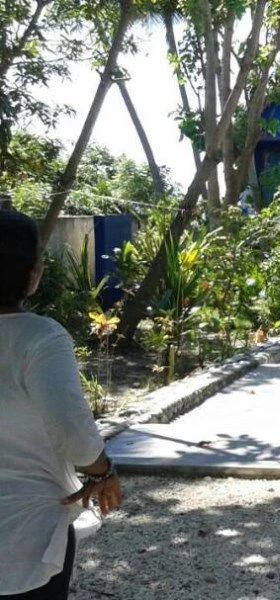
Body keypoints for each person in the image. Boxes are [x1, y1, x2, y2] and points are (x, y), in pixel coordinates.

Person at [0, 209, 124, 599]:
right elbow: (73, 430)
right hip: (24, 533)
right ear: (33, 274)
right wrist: (104, 473)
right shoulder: (39, 337)